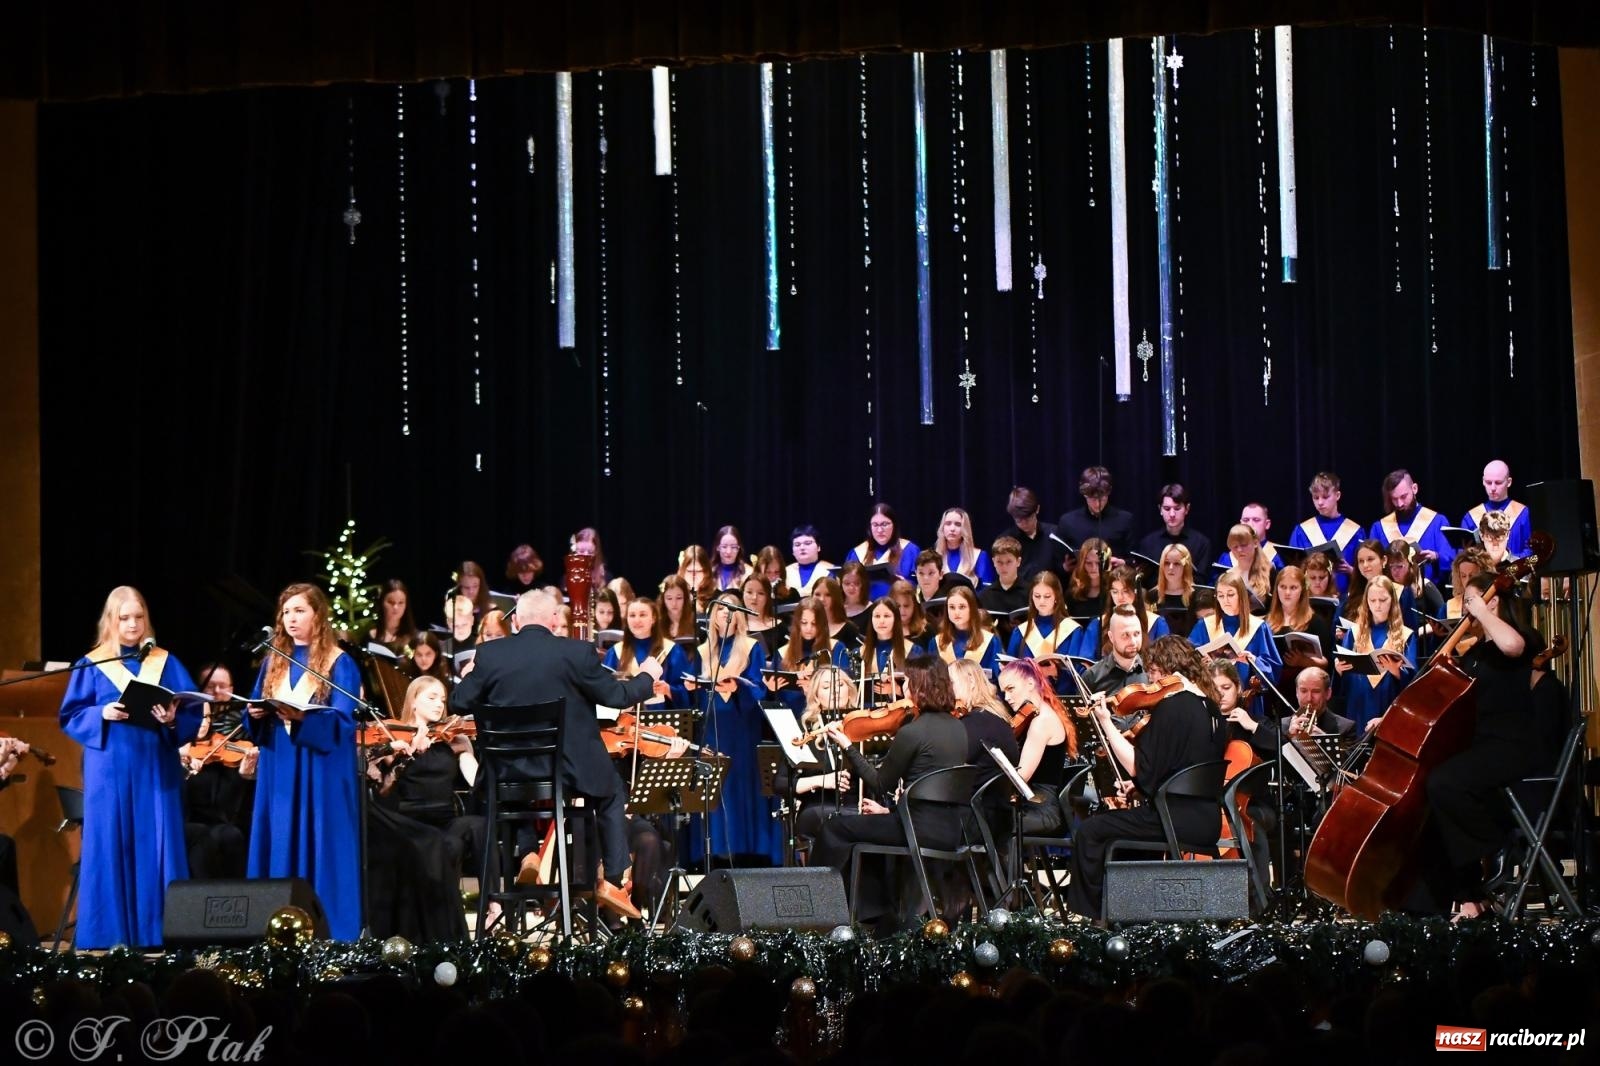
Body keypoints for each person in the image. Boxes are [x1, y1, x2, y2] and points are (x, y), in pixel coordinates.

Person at [451, 587, 662, 920]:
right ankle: (615, 879)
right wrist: (648, 676)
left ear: (516, 621)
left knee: (520, 790)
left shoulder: (490, 654)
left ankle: (528, 853)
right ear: (553, 619)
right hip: (569, 774)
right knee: (611, 791)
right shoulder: (576, 652)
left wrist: (470, 677)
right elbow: (618, 696)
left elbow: (459, 702)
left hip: (505, 776)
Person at [59, 586, 201, 948]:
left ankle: (160, 931)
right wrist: (101, 713)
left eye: (139, 617)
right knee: (111, 843)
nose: (133, 624)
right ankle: (108, 933)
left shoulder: (165, 662)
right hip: (109, 769)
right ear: (111, 621)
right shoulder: (92, 664)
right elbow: (71, 715)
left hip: (155, 766)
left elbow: (190, 709)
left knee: (158, 841)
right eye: (124, 618)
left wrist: (172, 719)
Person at [1417, 573, 1555, 918]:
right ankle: (1466, 897)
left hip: (1511, 746)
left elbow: (1512, 646)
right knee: (1431, 798)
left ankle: (1498, 848)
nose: (1466, 608)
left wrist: (1481, 612)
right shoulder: (1476, 652)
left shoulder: (1519, 639)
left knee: (1444, 782)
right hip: (1480, 745)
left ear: (1491, 601)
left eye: (1471, 600)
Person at [1067, 635, 1226, 920]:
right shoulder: (1212, 708)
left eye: (1152, 671)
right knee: (1125, 831)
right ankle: (1132, 915)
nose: (1150, 680)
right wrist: (1142, 789)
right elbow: (1181, 767)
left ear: (1167, 668)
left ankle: (1093, 919)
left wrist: (1105, 722)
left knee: (1091, 831)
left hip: (1171, 819)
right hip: (1206, 821)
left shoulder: (1172, 706)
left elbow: (1138, 767)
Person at [811, 655, 970, 930]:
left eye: (906, 681)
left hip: (914, 829)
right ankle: (876, 916)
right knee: (867, 833)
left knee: (834, 828)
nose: (902, 687)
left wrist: (847, 745)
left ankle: (814, 908)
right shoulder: (958, 727)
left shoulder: (913, 732)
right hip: (950, 830)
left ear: (918, 686)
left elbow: (879, 783)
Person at [245, 583, 364, 940]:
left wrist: (302, 718)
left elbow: (343, 721)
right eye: (286, 612)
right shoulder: (273, 661)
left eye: (300, 611)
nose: (291, 619)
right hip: (280, 764)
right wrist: (254, 714)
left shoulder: (339, 662)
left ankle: (330, 930)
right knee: (280, 835)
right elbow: (254, 709)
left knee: (321, 839)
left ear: (318, 615)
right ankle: (275, 926)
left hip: (320, 768)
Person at [365, 676, 482, 942]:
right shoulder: (395, 736)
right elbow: (383, 789)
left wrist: (484, 779)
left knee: (478, 826)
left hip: (444, 816)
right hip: (407, 820)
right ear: (414, 701)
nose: (440, 704)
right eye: (432, 697)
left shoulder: (452, 737)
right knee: (438, 843)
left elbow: (473, 777)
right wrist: (406, 756)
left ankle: (492, 906)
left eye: (443, 699)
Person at [687, 592, 779, 865]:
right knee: (715, 786)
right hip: (712, 728)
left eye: (731, 609)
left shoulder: (751, 647)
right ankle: (714, 853)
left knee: (740, 786)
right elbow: (691, 695)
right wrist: (691, 688)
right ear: (712, 615)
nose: (725, 613)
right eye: (720, 608)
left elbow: (759, 690)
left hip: (741, 728)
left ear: (739, 615)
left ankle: (747, 852)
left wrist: (738, 688)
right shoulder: (703, 651)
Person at [773, 666, 859, 863]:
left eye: (840, 685)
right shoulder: (803, 730)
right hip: (817, 807)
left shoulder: (864, 725)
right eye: (827, 687)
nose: (835, 691)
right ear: (817, 697)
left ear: (850, 690)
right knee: (836, 822)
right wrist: (822, 781)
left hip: (857, 806)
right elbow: (781, 784)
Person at [182, 662, 258, 880]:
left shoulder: (229, 739)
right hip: (185, 819)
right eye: (198, 718)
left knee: (230, 834)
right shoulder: (177, 747)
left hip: (218, 819)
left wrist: (245, 775)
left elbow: (230, 801)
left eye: (207, 718)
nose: (203, 724)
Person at [996, 660, 1078, 833]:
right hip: (1034, 803)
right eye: (1004, 692)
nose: (1007, 697)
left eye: (1011, 689)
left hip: (1041, 810)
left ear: (1030, 683)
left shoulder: (1042, 721)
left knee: (984, 821)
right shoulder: (1035, 714)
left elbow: (1021, 778)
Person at [1189, 569, 1282, 710]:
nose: (1225, 600)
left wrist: (1253, 660)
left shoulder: (1258, 627)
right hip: (1212, 699)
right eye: (1220, 595)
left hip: (1248, 701)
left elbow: (1273, 669)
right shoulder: (1205, 625)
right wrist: (1200, 663)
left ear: (1241, 595)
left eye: (1230, 595)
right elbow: (1188, 660)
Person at [1336, 575, 1418, 733]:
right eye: (1372, 600)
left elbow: (1413, 681)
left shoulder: (1405, 635)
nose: (1377, 605)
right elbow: (1343, 681)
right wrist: (1339, 670)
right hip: (1359, 702)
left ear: (1392, 601)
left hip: (1387, 702)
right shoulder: (1354, 633)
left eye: (1383, 600)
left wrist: (1396, 671)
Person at [602, 598, 693, 708]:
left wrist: (668, 689)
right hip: (626, 717)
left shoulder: (672, 651)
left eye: (642, 615)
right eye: (632, 615)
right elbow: (605, 693)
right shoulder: (615, 652)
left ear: (653, 618)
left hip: (662, 717)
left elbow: (687, 692)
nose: (637, 620)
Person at [1370, 468, 1455, 582]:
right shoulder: (1379, 528)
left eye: (1403, 497)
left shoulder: (1437, 522)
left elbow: (1450, 559)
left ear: (1414, 488)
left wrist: (1436, 556)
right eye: (1394, 499)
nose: (1399, 504)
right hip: (1390, 590)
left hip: (1428, 589)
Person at [1006, 572, 1083, 692]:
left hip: (1060, 697)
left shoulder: (1072, 631)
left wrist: (1056, 673)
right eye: (1037, 596)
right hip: (1027, 696)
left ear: (1056, 597)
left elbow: (1078, 674)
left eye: (1047, 596)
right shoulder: (1020, 632)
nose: (1041, 601)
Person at [770, 599, 850, 716]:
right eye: (804, 623)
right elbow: (774, 698)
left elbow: (846, 688)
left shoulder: (837, 648)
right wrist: (771, 689)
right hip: (791, 715)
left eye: (814, 623)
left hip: (827, 716)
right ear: (797, 623)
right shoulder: (782, 653)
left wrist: (813, 688)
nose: (808, 628)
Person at [1289, 473, 1362, 594]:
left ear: (1337, 495)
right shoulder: (1301, 531)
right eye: (1315, 497)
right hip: (1309, 598)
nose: (1320, 502)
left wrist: (1351, 570)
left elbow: (1366, 571)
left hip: (1345, 598)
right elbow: (1293, 570)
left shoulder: (1356, 532)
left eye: (1325, 497)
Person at [947, 658, 1019, 766]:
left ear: (971, 682)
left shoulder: (975, 721)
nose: (947, 689)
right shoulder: (993, 712)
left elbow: (951, 762)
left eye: (951, 682)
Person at [1057, 466, 1135, 562]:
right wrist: (1064, 567)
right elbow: (1057, 560)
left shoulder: (1125, 520)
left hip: (1114, 571)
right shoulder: (1067, 522)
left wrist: (1124, 563)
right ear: (1084, 494)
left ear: (1109, 492)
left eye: (1102, 498)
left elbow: (1134, 559)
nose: (1097, 504)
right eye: (1092, 498)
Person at [1460, 459, 1532, 558]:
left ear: (1509, 482)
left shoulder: (1523, 514)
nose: (1493, 488)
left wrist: (1508, 561)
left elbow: (1530, 551)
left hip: (1515, 567)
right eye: (1488, 482)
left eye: (1498, 483)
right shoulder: (1470, 518)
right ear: (1483, 481)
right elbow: (1464, 555)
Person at [845, 503, 920, 599]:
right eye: (875, 525)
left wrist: (904, 584)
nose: (880, 530)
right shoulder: (856, 553)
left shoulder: (910, 551)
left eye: (884, 524)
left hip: (899, 605)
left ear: (894, 525)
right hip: (866, 606)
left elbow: (920, 586)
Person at [1136, 483, 1213, 576]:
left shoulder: (1201, 544)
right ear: (1160, 509)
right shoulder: (1148, 543)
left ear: (1187, 509)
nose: (1172, 514)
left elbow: (1202, 580)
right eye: (1167, 509)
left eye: (1177, 508)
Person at [931, 585, 1001, 679]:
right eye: (952, 607)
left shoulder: (990, 641)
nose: (956, 612)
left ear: (972, 609)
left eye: (962, 607)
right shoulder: (936, 642)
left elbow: (994, 678)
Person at [999, 486, 1067, 580]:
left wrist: (1064, 569)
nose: (1024, 524)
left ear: (1037, 509)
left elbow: (1060, 573)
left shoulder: (1055, 534)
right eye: (1018, 520)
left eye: (1028, 518)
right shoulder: (1006, 541)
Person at [1080, 605, 1148, 695]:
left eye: (1137, 634)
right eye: (1125, 635)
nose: (1133, 642)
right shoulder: (1091, 677)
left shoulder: (1151, 672)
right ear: (1111, 637)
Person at [861, 597, 915, 703]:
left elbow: (921, 689)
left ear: (896, 618)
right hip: (869, 711)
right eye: (877, 616)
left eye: (887, 616)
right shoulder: (860, 652)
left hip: (903, 710)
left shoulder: (912, 650)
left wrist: (897, 689)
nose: (881, 621)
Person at [978, 537, 1030, 639]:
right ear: (993, 562)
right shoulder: (984, 596)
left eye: (1009, 562)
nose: (1004, 567)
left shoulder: (1031, 592)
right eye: (999, 562)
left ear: (1018, 561)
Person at [934, 508, 996, 586]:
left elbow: (987, 589)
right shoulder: (935, 557)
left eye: (958, 524)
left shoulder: (978, 556)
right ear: (942, 527)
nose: (952, 529)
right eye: (948, 523)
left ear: (965, 528)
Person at [1218, 524, 1273, 608]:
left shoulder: (1270, 571)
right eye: (1235, 547)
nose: (1239, 550)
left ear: (1255, 543)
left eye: (1244, 545)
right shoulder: (1228, 574)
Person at [812, 575, 863, 649]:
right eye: (817, 594)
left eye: (828, 595)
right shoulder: (803, 626)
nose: (822, 599)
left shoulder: (849, 629)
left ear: (836, 598)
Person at [367, 579, 417, 654]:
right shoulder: (369, 636)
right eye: (391, 602)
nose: (396, 607)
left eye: (401, 602)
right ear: (381, 602)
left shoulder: (415, 638)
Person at [785, 525, 836, 597]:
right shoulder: (784, 572)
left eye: (807, 543)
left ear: (818, 547)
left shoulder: (832, 570)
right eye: (797, 545)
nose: (802, 548)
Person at [741, 573, 785, 655]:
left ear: (767, 597)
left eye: (761, 593)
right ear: (743, 593)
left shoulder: (779, 626)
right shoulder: (734, 625)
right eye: (749, 592)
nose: (754, 597)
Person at [1064, 537, 1109, 618]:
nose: (1094, 568)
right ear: (1082, 563)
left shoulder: (1114, 590)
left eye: (1098, 563)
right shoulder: (1072, 593)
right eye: (1088, 563)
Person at [712, 525, 753, 592]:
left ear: (739, 549)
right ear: (717, 547)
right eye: (724, 547)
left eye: (733, 547)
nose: (728, 551)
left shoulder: (749, 573)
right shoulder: (708, 571)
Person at [677, 545, 717, 613]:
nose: (694, 576)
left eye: (699, 571)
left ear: (706, 572)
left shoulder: (717, 599)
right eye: (689, 571)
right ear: (682, 571)